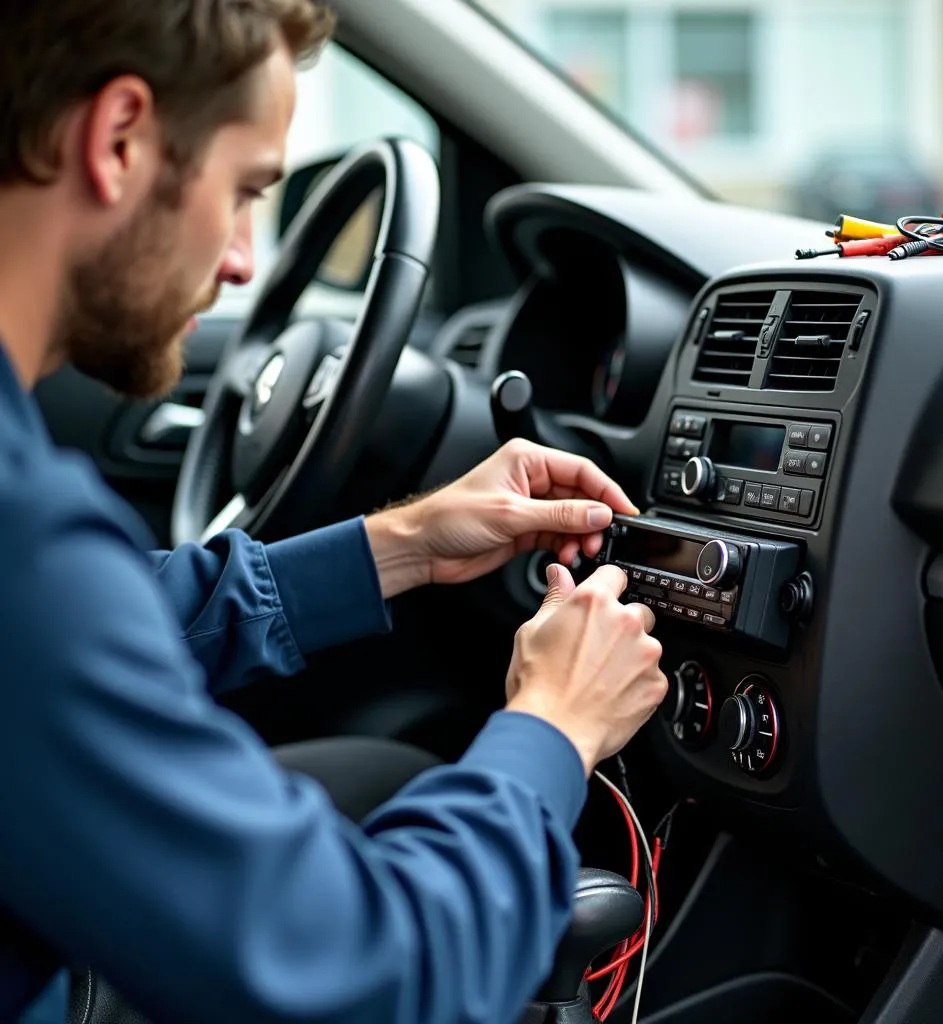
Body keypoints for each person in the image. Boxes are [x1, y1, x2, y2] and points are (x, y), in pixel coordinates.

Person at [0, 2, 669, 1022]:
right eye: (242, 192)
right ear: (119, 139)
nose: (239, 262)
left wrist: (394, 544)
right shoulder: (27, 549)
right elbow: (374, 976)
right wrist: (553, 723)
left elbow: (98, 631)